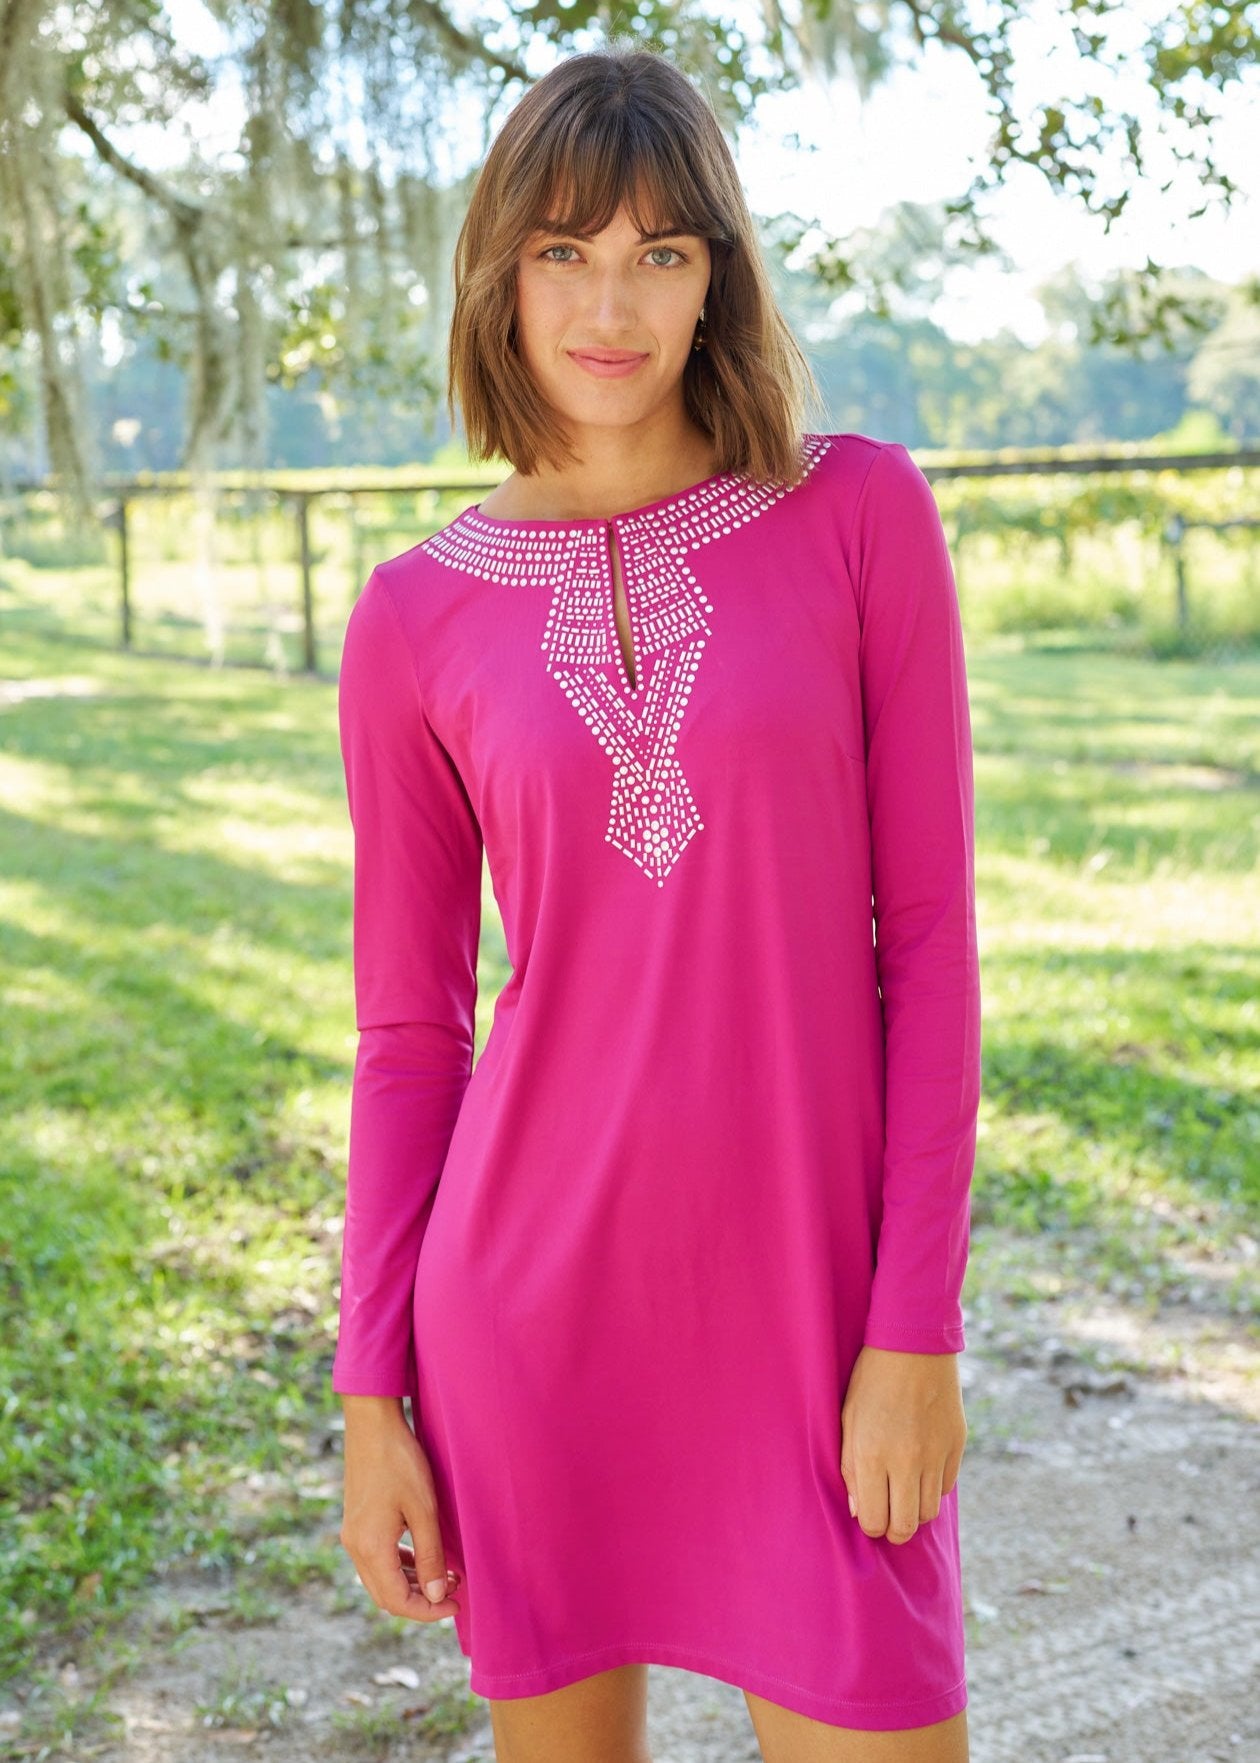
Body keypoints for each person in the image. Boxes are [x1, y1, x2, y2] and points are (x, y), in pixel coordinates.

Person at [332, 40, 981, 1763]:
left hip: (813, 1313)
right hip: (529, 1324)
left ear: (716, 282)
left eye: (658, 254)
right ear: (502, 275)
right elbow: (411, 1034)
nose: (608, 303)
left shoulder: (859, 516)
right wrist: (369, 1398)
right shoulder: (412, 615)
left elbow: (927, 948)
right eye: (564, 252)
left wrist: (913, 1331)